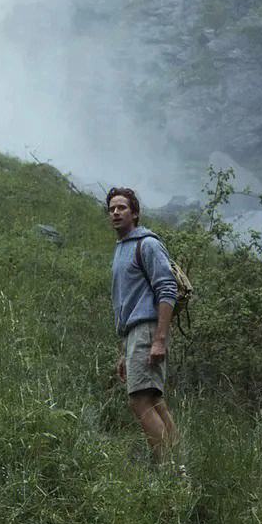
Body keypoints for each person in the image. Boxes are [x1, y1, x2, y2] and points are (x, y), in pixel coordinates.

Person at [107, 186, 180, 464]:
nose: (115, 212)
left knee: (139, 401)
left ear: (135, 213)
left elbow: (167, 289)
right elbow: (129, 303)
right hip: (135, 334)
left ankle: (169, 470)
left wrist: (159, 339)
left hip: (148, 330)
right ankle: (179, 465)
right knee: (153, 399)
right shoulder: (122, 248)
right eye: (112, 208)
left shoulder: (146, 244)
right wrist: (124, 350)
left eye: (122, 207)